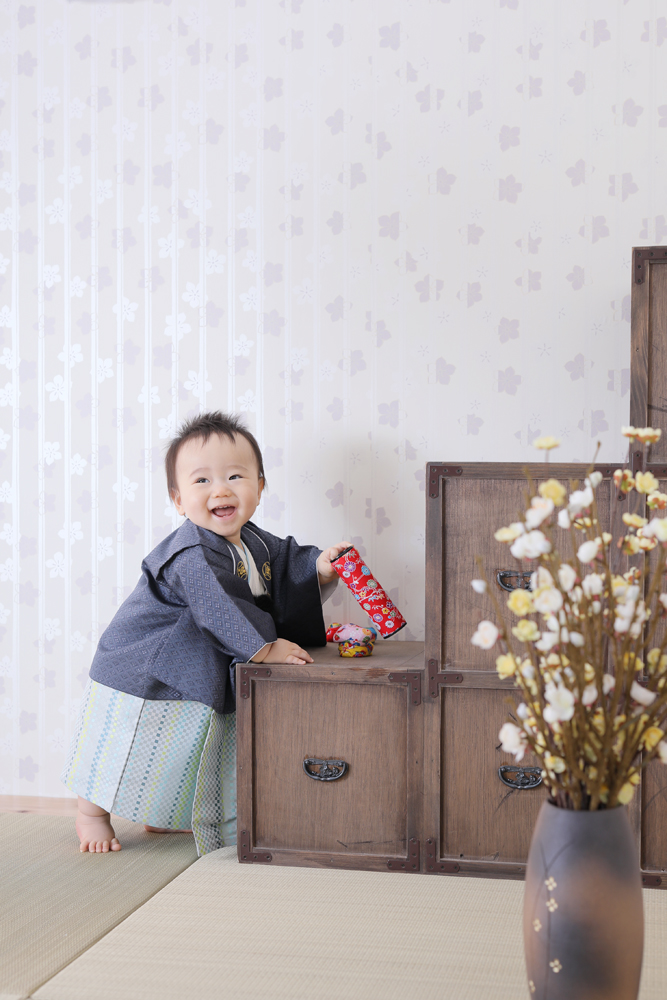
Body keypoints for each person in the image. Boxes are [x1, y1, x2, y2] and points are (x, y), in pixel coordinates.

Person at [62, 411, 347, 855]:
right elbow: (218, 607)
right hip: (144, 663)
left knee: (183, 750)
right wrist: (264, 647)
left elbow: (287, 562)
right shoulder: (192, 552)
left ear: (260, 486)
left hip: (193, 665)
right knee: (126, 745)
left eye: (235, 476)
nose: (221, 490)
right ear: (178, 500)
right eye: (202, 481)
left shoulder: (254, 541)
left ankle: (161, 817)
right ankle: (91, 814)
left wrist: (319, 569)